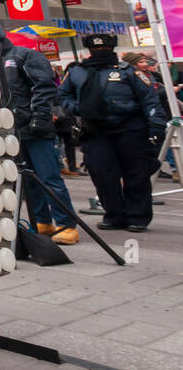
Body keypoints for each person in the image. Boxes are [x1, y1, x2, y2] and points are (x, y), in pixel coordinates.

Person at [0, 24, 79, 243]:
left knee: (49, 178)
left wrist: (39, 117)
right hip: (11, 130)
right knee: (28, 180)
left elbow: (44, 86)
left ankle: (67, 225)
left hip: (34, 127)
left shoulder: (25, 55)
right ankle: (42, 221)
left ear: (0, 34)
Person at [60, 34, 166, 232]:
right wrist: (79, 107)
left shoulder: (129, 72)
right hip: (95, 130)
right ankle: (114, 215)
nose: (100, 52)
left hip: (130, 128)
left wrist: (157, 126)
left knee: (136, 175)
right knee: (102, 175)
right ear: (89, 50)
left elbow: (150, 101)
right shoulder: (77, 72)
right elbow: (63, 96)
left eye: (104, 49)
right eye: (96, 49)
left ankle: (137, 217)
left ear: (111, 49)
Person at [123, 52, 177, 182]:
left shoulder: (149, 75)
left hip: (156, 116)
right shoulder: (130, 76)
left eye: (145, 62)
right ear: (133, 63)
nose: (145, 64)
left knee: (158, 147)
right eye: (141, 62)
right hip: (139, 120)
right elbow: (150, 94)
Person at [51, 64, 81, 176]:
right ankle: (62, 166)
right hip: (58, 118)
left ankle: (70, 166)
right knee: (59, 144)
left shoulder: (60, 86)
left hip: (65, 117)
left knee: (68, 143)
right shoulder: (52, 87)